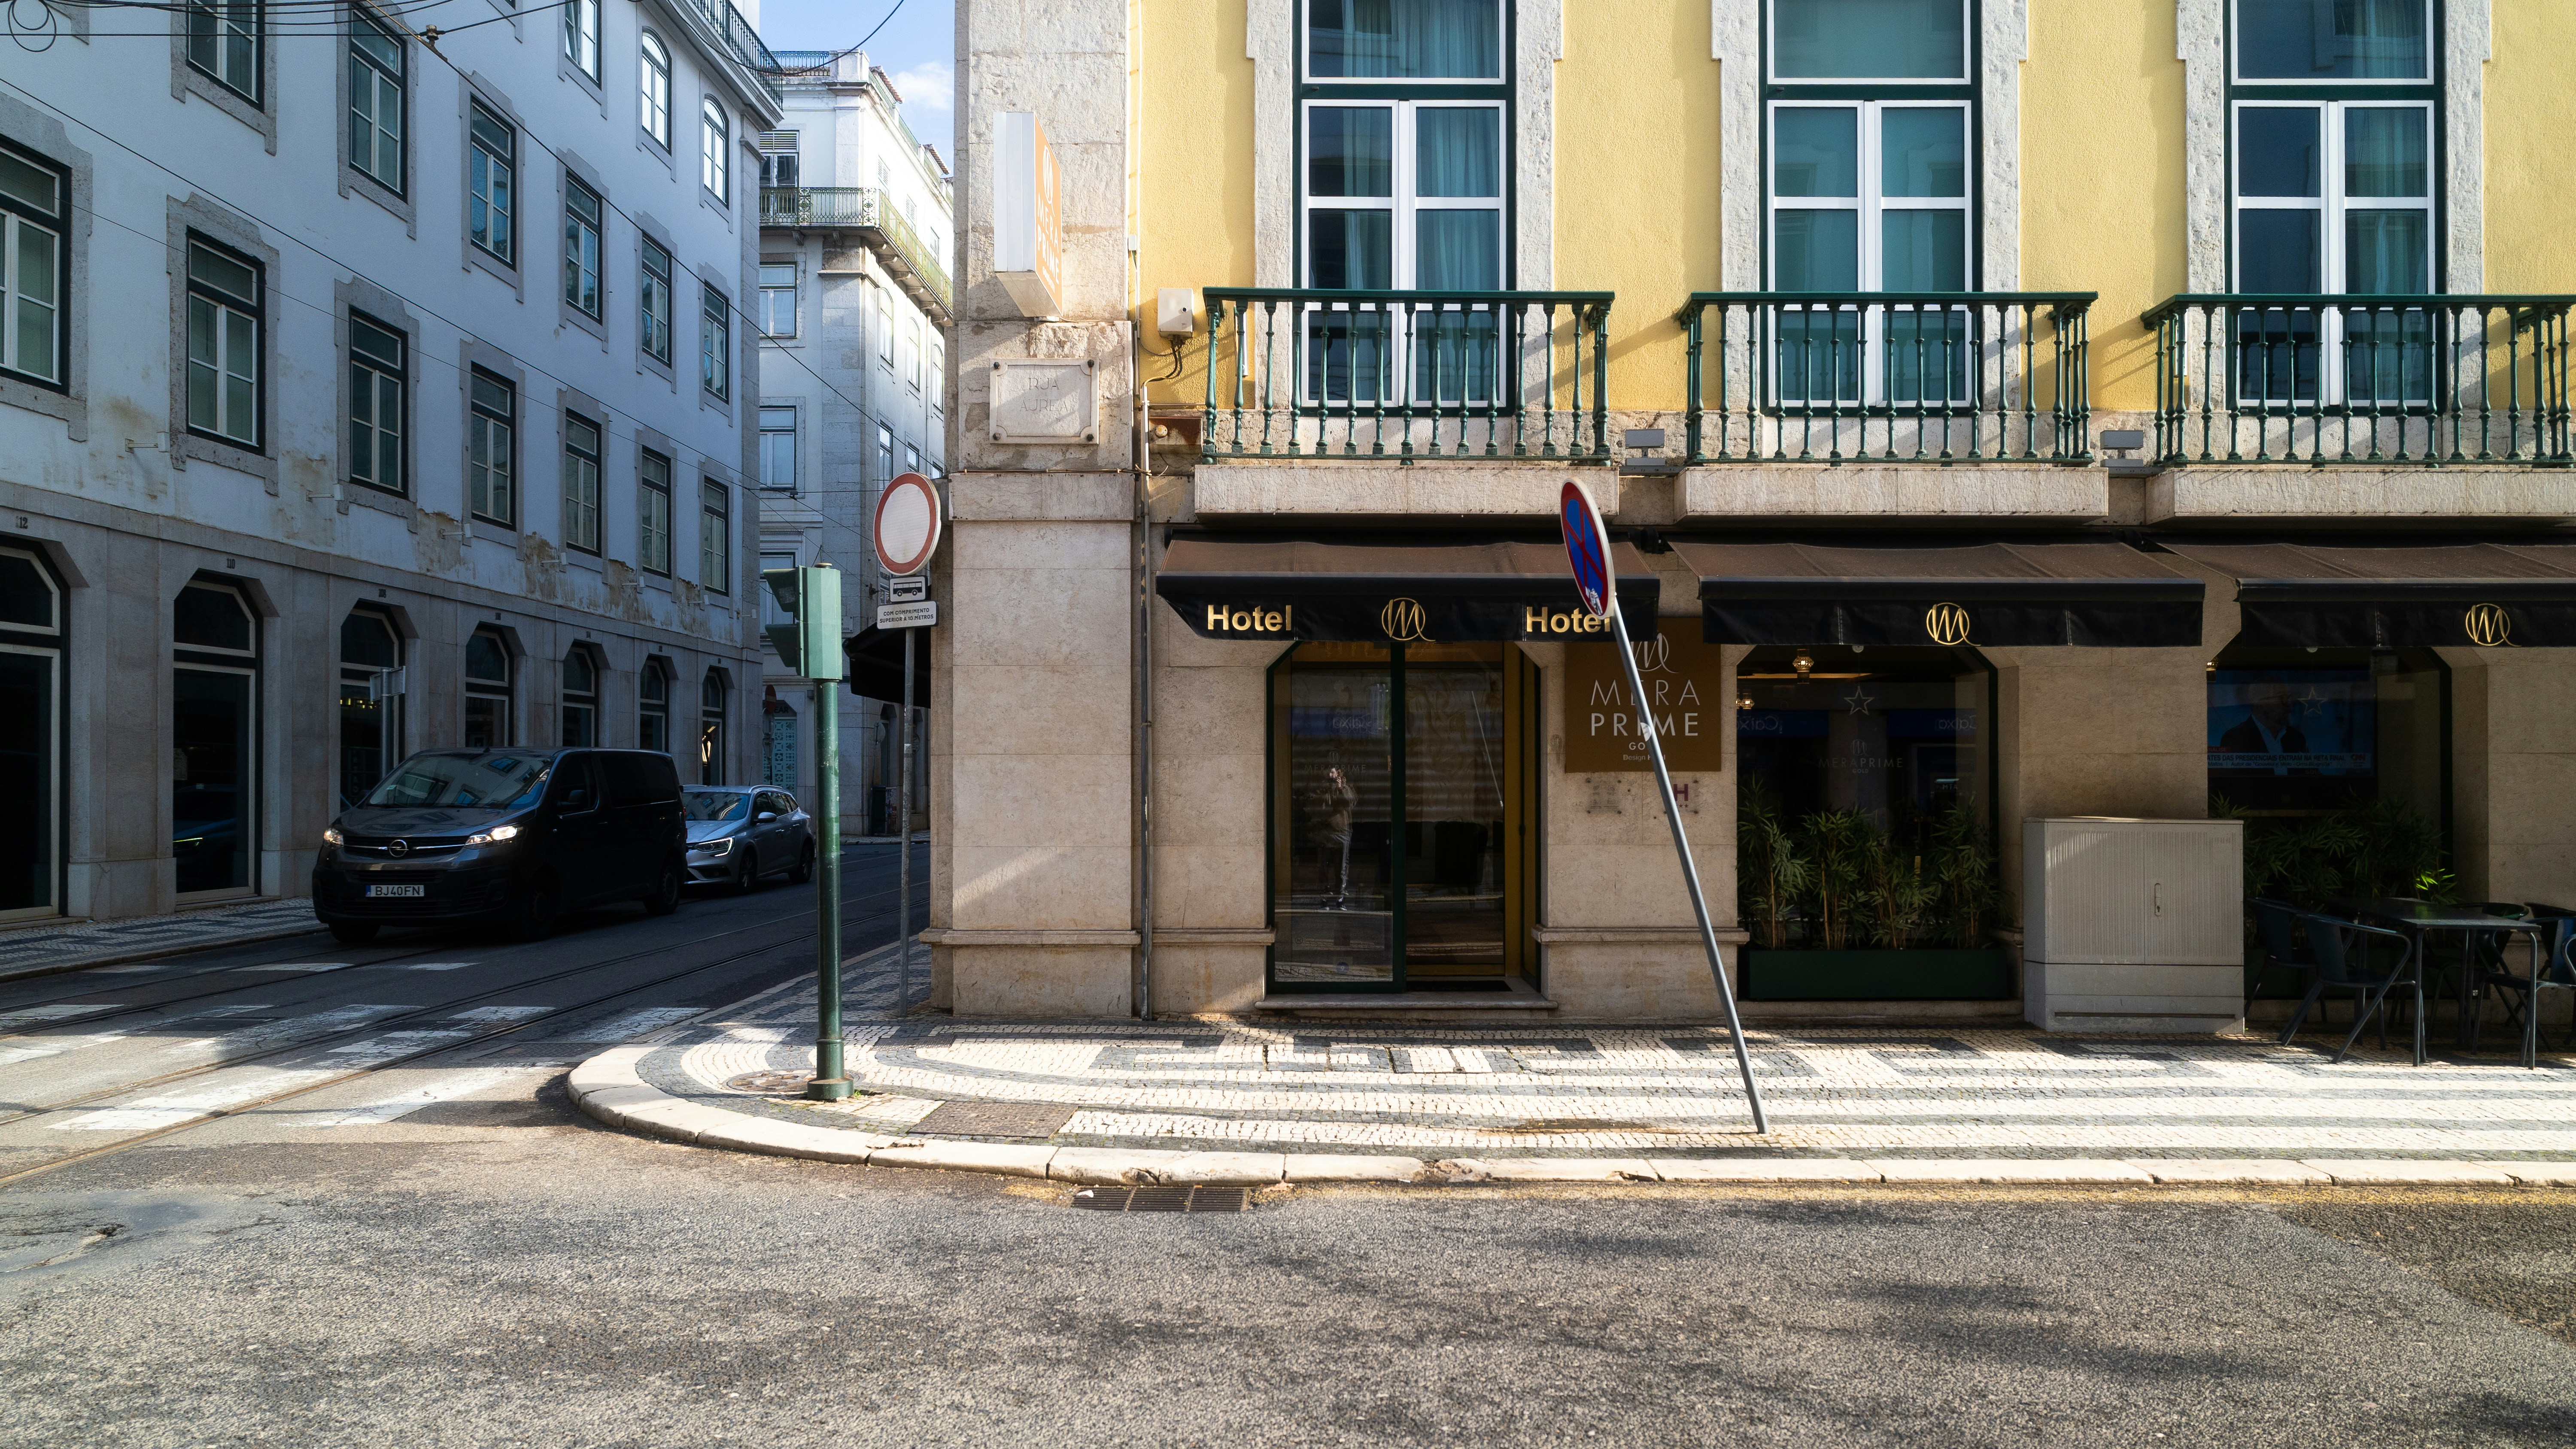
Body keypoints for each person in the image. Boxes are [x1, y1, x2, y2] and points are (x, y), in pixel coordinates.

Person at [1310, 763, 1357, 906]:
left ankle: (1340, 895)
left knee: (1341, 865)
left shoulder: (1346, 787)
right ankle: (1326, 892)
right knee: (1325, 864)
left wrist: (1341, 789)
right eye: (1328, 773)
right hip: (1326, 832)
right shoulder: (1322, 789)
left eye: (1333, 772)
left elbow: (1350, 804)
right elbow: (1321, 808)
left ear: (1338, 773)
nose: (1331, 776)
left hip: (1343, 832)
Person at [2221, 679, 2307, 755]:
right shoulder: (2235, 738)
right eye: (2282, 699)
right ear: (2262, 705)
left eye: (2289, 699)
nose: (2289, 706)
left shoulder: (2296, 737)